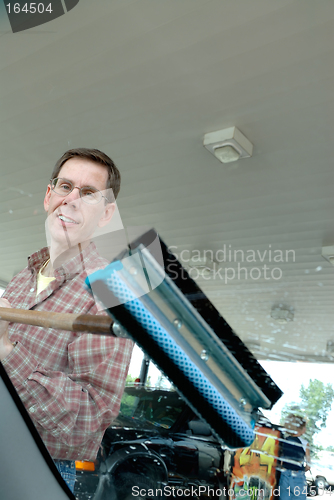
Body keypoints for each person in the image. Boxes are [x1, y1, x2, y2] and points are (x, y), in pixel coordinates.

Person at [0, 148, 134, 492]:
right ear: (49, 196)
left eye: (88, 194)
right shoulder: (23, 275)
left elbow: (87, 426)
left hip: (31, 472)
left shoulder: (110, 293)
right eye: (65, 186)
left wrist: (5, 350)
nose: (71, 199)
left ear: (106, 214)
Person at [278, 413, 311, 500]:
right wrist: (302, 470)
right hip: (298, 477)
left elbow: (281, 462)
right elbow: (308, 466)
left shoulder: (284, 441)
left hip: (284, 475)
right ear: (300, 429)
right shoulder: (305, 443)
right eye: (304, 427)